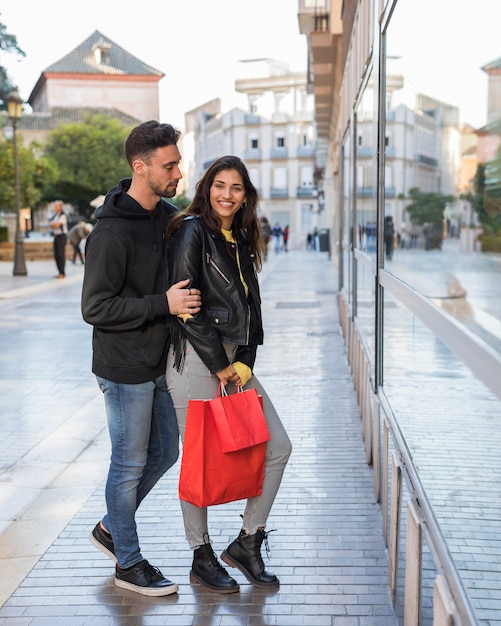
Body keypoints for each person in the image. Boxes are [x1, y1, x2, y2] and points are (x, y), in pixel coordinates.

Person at [81, 121, 202, 597]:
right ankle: (127, 563)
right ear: (141, 167)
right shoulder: (109, 233)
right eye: (169, 165)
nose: (178, 171)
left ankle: (111, 526)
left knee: (166, 452)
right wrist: (161, 304)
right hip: (123, 367)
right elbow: (95, 308)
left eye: (177, 162)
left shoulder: (167, 217)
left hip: (159, 363)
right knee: (128, 464)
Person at [165, 155, 292, 594]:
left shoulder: (240, 235)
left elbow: (252, 311)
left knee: (277, 447)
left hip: (233, 365)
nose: (227, 194)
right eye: (220, 185)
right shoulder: (191, 231)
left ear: (245, 195)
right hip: (196, 362)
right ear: (207, 187)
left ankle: (247, 541)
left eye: (236, 188)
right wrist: (219, 363)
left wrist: (245, 362)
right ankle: (201, 555)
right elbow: (186, 308)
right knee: (200, 460)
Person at [48, 200, 68, 278]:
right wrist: (53, 225)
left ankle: (62, 272)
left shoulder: (63, 215)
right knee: (56, 254)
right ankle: (59, 272)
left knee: (61, 254)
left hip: (62, 237)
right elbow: (51, 224)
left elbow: (56, 225)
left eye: (57, 206)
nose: (55, 208)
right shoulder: (55, 215)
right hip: (56, 236)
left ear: (60, 207)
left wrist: (54, 225)